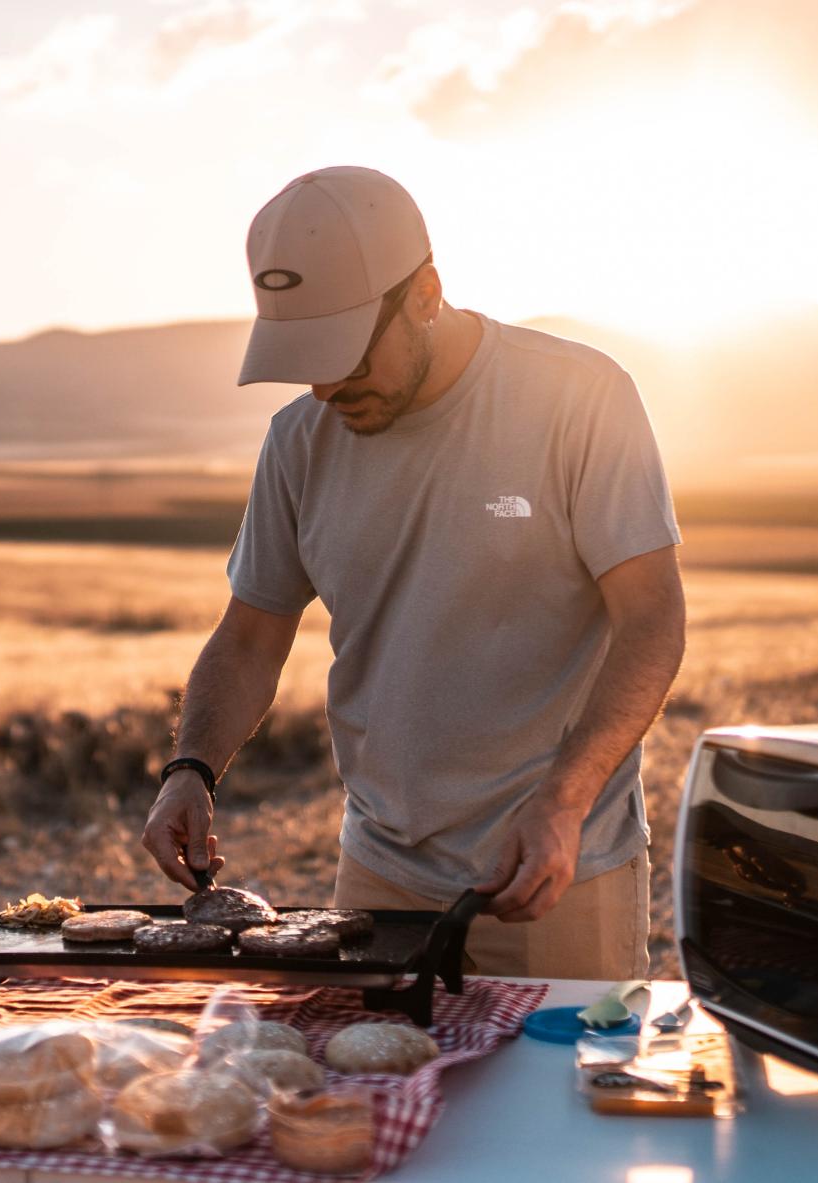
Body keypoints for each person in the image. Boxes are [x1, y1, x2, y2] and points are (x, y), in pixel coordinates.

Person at [139, 166, 686, 979]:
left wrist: (563, 802)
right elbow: (251, 636)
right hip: (378, 875)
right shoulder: (298, 444)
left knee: (553, 1102)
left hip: (555, 872)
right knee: (369, 1093)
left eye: (346, 354)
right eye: (305, 360)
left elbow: (652, 622)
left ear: (426, 293)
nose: (326, 386)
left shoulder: (579, 398)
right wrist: (190, 768)